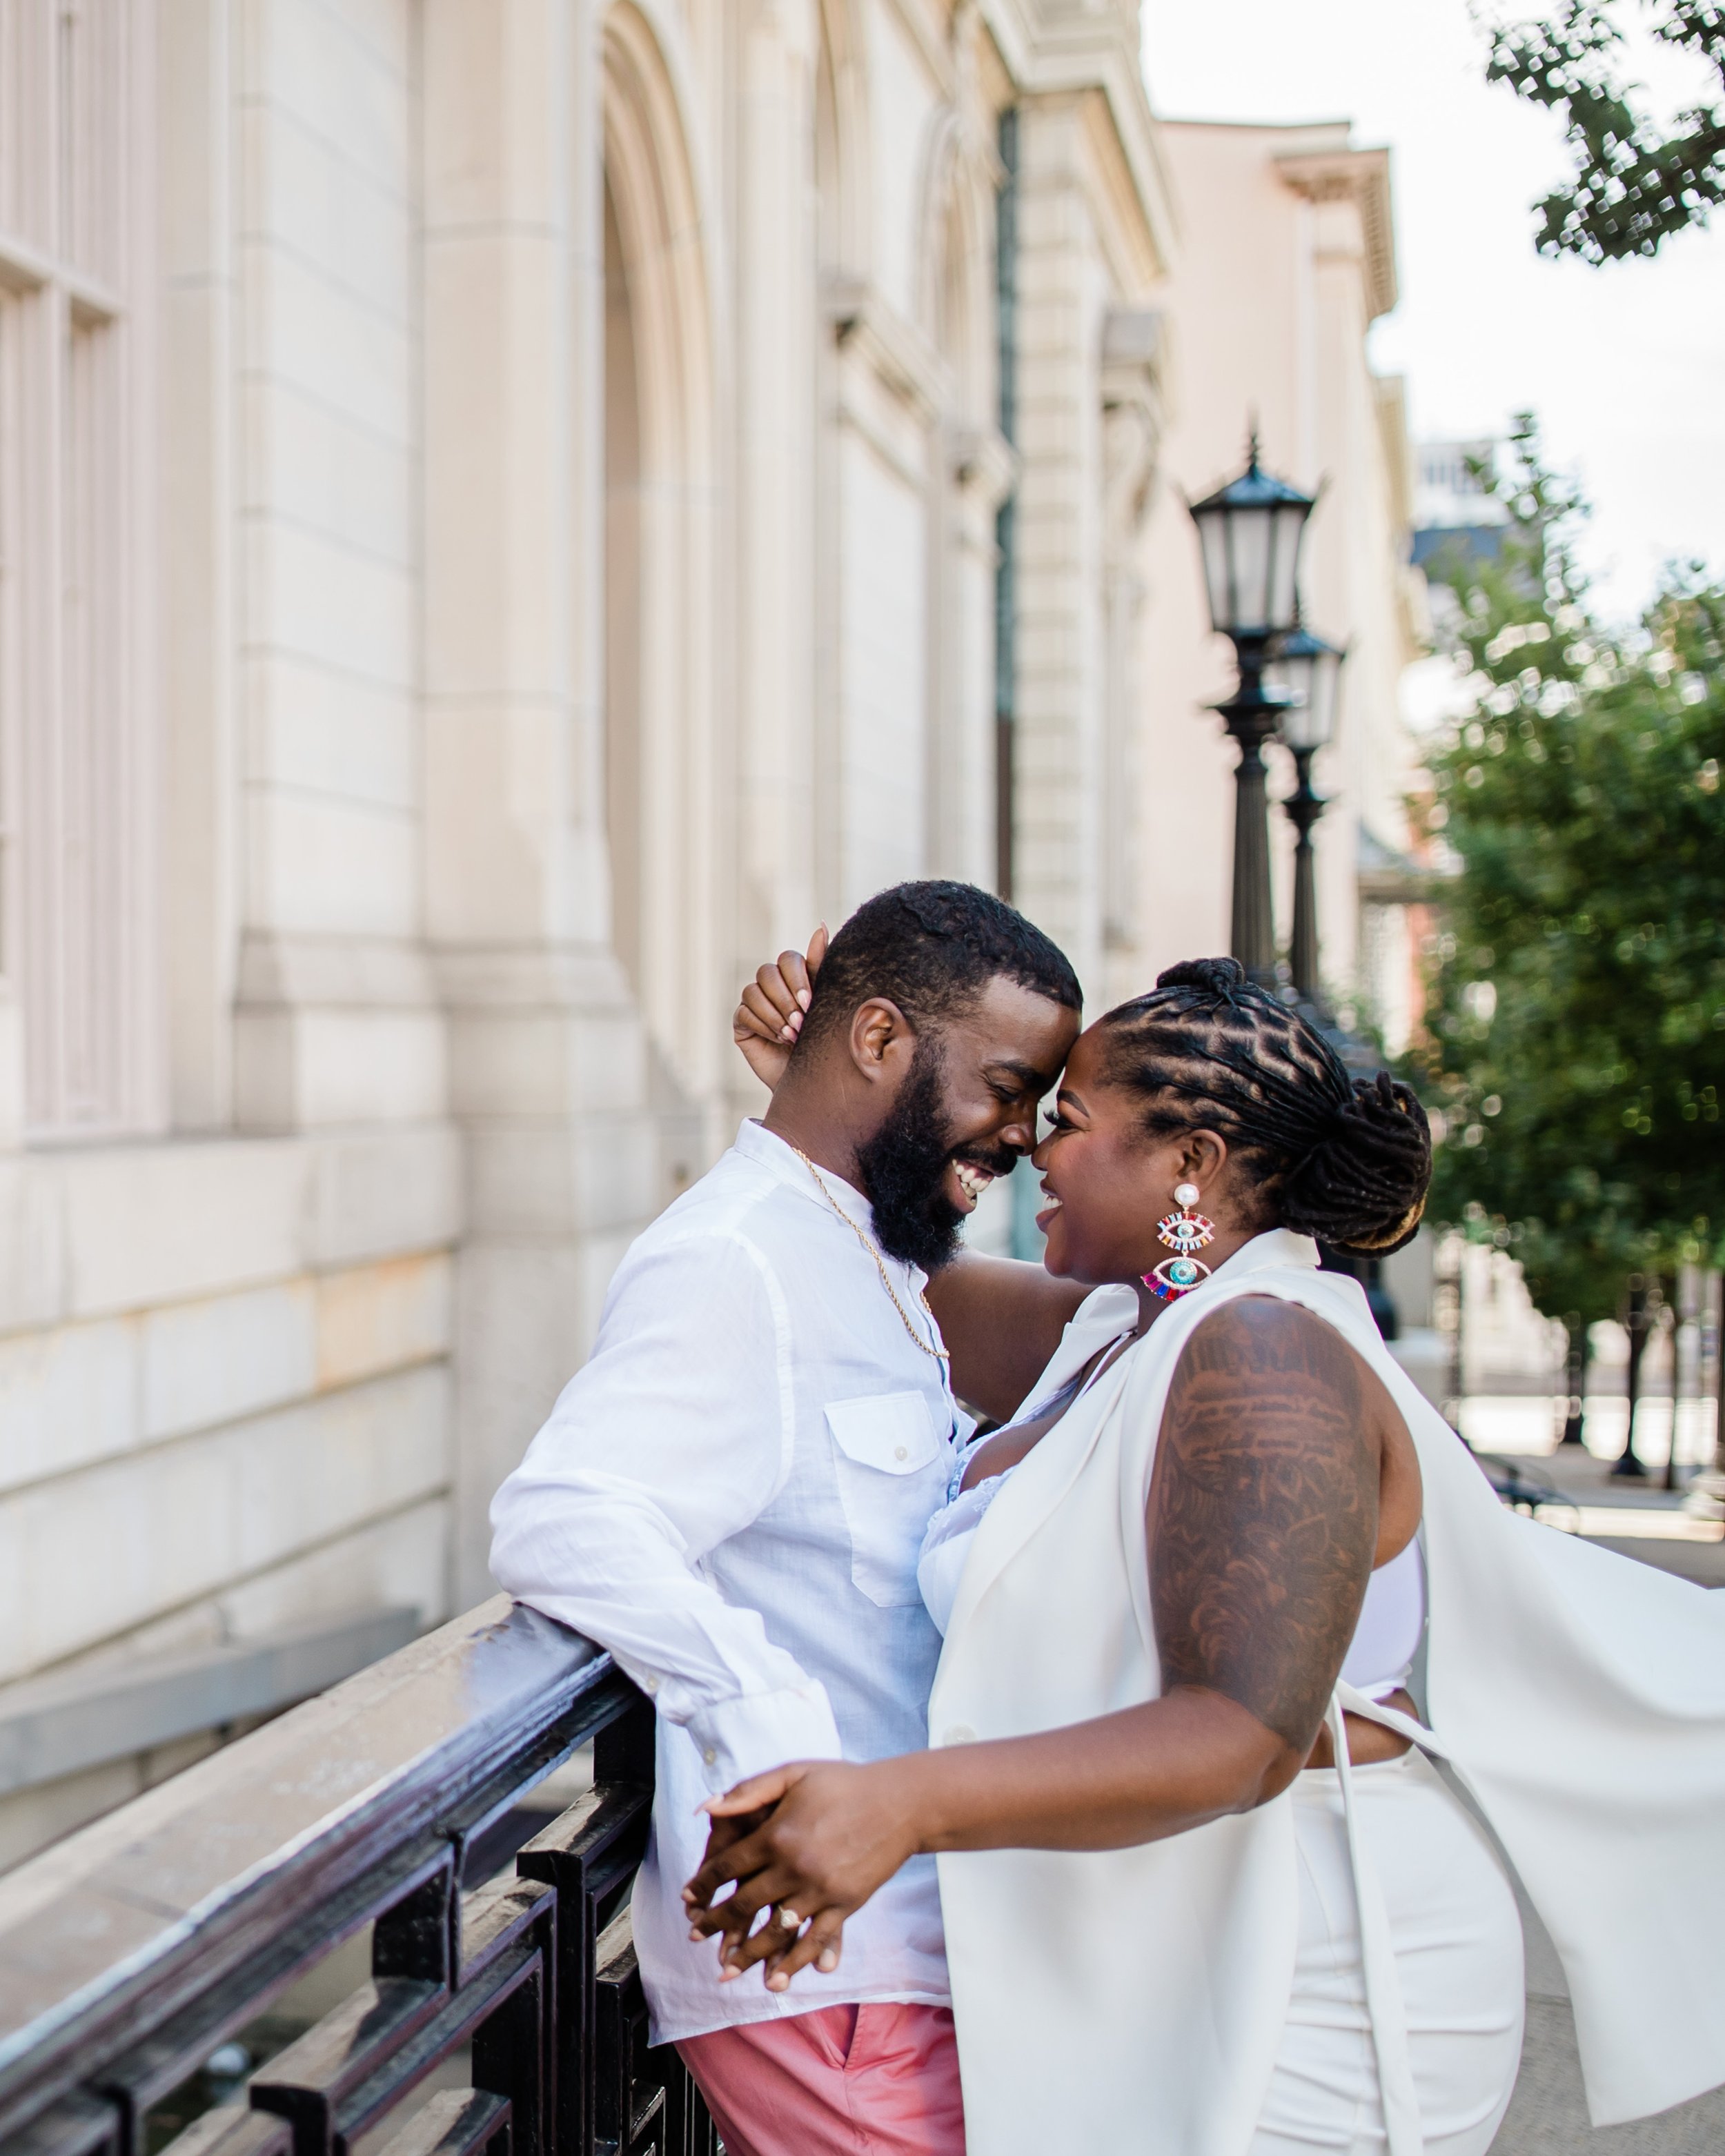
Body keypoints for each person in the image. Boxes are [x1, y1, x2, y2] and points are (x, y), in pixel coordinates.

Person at [695, 955, 1725, 2156]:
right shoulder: (1124, 1329)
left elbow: (1243, 1732)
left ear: (1193, 1164)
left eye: (1070, 1122)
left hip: (1313, 1960)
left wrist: (898, 1805)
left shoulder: (1265, 1354)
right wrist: (830, 1105)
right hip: (1167, 1932)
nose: (1035, 1147)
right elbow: (862, 1282)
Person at [488, 880, 1081, 2156]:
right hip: (831, 1970)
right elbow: (565, 1513)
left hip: (920, 1953)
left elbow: (1128, 1318)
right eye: (1008, 1087)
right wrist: (769, 1722)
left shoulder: (873, 1252)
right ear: (878, 1041)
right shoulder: (736, 1259)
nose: (1025, 1134)